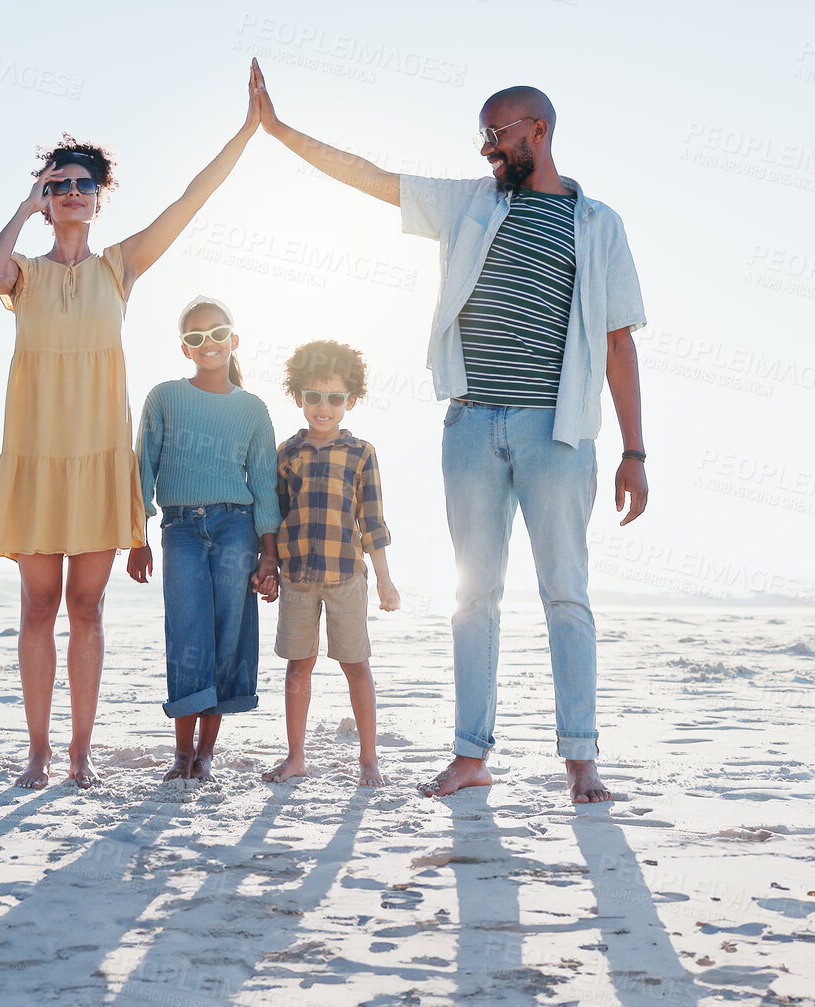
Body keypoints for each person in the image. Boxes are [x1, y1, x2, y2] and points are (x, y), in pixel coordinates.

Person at [247, 59, 650, 804]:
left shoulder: (598, 225)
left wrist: (633, 449)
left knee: (566, 593)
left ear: (537, 129)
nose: (485, 149)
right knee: (473, 598)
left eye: (495, 135)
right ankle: (470, 754)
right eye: (481, 137)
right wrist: (277, 130)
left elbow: (619, 342)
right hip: (469, 426)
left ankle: (580, 759)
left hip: (556, 433)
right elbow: (370, 178)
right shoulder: (469, 204)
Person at [0, 86, 262, 790]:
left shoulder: (119, 268)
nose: (73, 193)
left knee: (86, 608)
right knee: (39, 606)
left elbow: (189, 202)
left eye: (83, 184)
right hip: (39, 458)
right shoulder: (27, 274)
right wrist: (23, 205)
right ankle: (38, 752)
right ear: (47, 198)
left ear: (100, 198)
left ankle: (79, 754)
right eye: (59, 185)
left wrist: (249, 128)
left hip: (101, 458)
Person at [126, 297, 281, 781]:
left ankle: (205, 755)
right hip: (180, 530)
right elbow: (141, 467)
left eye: (217, 333)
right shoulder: (164, 398)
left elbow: (264, 484)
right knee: (187, 633)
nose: (207, 343)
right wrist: (138, 536)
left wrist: (269, 555)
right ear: (184, 349)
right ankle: (180, 755)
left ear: (233, 340)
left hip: (237, 527)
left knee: (228, 632)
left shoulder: (253, 409)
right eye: (195, 337)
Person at [263, 340, 398, 788]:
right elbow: (274, 516)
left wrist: (384, 581)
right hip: (298, 577)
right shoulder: (287, 454)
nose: (324, 407)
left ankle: (369, 758)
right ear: (298, 396)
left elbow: (372, 521)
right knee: (298, 665)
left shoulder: (361, 453)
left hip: (346, 579)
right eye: (314, 396)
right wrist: (268, 567)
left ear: (351, 401)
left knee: (355, 664)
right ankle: (296, 756)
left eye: (335, 398)